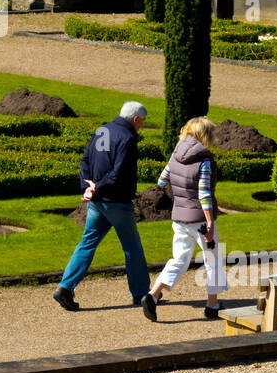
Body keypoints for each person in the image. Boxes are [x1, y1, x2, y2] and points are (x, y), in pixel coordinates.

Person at [53, 101, 151, 311]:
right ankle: (141, 294)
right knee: (132, 249)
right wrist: (96, 189)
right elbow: (119, 174)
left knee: (87, 244)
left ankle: (65, 287)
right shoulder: (128, 138)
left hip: (97, 204)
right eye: (142, 122)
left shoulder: (101, 130)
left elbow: (85, 161)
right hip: (117, 203)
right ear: (135, 119)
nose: (141, 125)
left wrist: (87, 187)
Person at [142, 116, 227, 323]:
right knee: (213, 260)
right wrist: (210, 223)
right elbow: (204, 195)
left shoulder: (176, 153)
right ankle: (212, 304)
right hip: (199, 219)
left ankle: (153, 295)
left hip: (179, 218)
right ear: (204, 135)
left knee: (179, 259)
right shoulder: (204, 161)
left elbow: (162, 180)